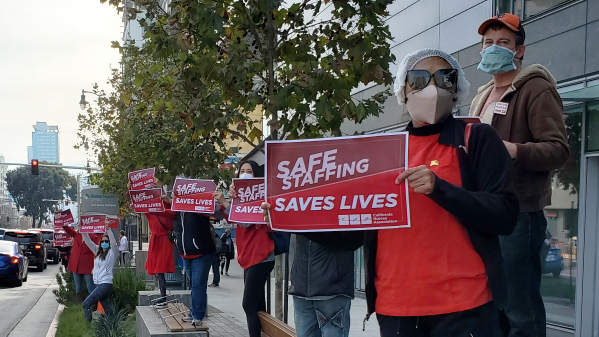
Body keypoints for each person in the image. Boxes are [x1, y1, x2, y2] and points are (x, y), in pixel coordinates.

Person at [263, 48, 520, 337]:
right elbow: (352, 234)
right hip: (397, 309)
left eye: (444, 78)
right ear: (403, 89)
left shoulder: (476, 138)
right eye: (420, 79)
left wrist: (440, 189)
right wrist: (290, 219)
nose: (433, 87)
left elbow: (505, 215)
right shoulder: (381, 153)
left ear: (457, 87)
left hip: (465, 305)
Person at [470, 14, 570, 337]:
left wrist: (516, 150)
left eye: (503, 43)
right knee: (494, 307)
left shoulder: (536, 90)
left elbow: (559, 150)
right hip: (486, 212)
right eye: (488, 43)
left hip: (520, 216)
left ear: (520, 50)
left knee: (520, 312)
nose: (493, 48)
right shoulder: (482, 97)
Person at [214, 160, 275, 337]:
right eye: (242, 171)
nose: (245, 174)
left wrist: (227, 203)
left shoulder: (261, 196)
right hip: (248, 256)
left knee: (248, 304)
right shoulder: (238, 196)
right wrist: (231, 200)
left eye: (250, 171)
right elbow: (232, 220)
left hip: (261, 255)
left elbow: (246, 221)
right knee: (257, 305)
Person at [173, 192, 218, 331]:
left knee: (198, 284)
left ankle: (198, 315)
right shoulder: (178, 210)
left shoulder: (199, 207)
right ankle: (194, 312)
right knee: (195, 285)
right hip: (186, 254)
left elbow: (214, 210)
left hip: (202, 252)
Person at [145, 186, 177, 309]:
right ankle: (162, 295)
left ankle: (163, 297)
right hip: (156, 240)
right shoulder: (150, 211)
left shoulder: (167, 207)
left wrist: (166, 197)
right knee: (158, 270)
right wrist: (130, 190)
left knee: (160, 269)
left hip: (163, 240)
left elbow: (174, 212)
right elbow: (138, 203)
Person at [82, 222, 118, 322]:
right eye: (102, 241)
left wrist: (108, 230)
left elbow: (114, 244)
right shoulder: (97, 251)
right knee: (107, 309)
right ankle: (112, 327)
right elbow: (88, 242)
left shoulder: (112, 253)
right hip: (98, 283)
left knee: (86, 304)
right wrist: (83, 231)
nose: (104, 243)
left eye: (106, 241)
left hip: (105, 283)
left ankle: (88, 326)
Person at [62, 225, 102, 303]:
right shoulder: (77, 235)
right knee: (78, 287)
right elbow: (68, 230)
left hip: (88, 266)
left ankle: (92, 304)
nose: (80, 227)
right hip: (76, 264)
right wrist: (63, 222)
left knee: (90, 287)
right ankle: (79, 304)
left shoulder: (93, 237)